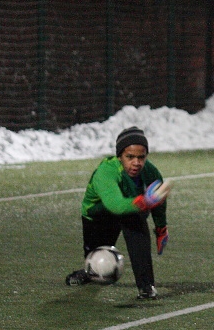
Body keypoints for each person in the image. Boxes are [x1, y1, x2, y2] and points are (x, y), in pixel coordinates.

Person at [65, 126, 170, 299]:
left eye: (141, 157)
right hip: (98, 214)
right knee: (96, 258)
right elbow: (116, 205)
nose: (136, 162)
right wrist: (145, 201)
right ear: (119, 156)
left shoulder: (150, 171)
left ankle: (146, 286)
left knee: (134, 220)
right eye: (130, 157)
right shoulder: (106, 171)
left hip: (130, 210)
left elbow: (159, 199)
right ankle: (88, 272)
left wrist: (161, 228)